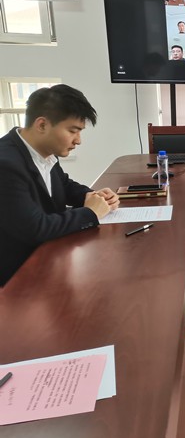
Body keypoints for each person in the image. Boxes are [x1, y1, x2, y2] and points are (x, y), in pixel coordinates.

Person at [0, 84, 120, 286]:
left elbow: (63, 185)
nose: (78, 141)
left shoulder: (45, 151)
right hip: (19, 277)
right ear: (42, 125)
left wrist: (93, 196)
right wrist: (91, 213)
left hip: (52, 258)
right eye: (73, 131)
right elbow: (36, 228)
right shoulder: (5, 165)